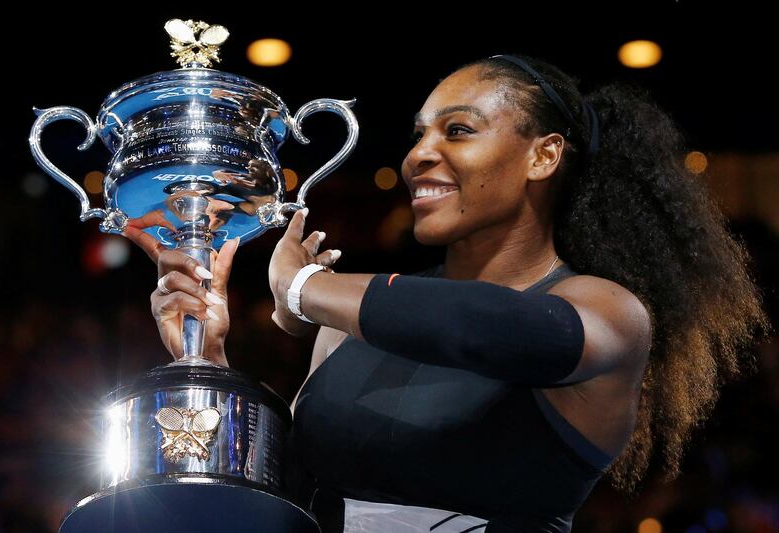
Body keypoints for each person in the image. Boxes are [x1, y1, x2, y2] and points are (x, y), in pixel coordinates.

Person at [125, 54, 771, 532]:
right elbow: (287, 493)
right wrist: (208, 367)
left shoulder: (608, 311)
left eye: (457, 131)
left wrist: (306, 289)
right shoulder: (344, 322)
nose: (417, 156)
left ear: (543, 156)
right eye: (419, 135)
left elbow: (492, 330)